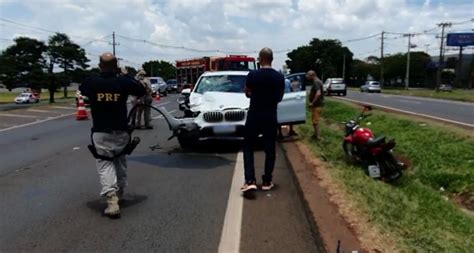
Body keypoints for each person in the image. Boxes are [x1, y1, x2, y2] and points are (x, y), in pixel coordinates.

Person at [79, 53, 146, 218]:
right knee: (120, 160)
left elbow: (82, 88)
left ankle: (112, 200)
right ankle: (121, 192)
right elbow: (140, 90)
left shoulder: (92, 81)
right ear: (116, 65)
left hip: (101, 131)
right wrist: (124, 75)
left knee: (105, 164)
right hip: (121, 130)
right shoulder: (122, 81)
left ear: (100, 65)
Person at [241, 47, 285, 192]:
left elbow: (247, 93)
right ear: (272, 59)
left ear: (260, 59)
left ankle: (250, 180)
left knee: (248, 147)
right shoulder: (279, 77)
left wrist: (253, 94)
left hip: (254, 115)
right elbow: (279, 98)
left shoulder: (252, 75)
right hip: (270, 116)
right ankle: (267, 181)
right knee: (270, 149)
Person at [307, 70, 324, 140]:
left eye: (308, 76)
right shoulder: (317, 81)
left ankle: (318, 137)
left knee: (315, 121)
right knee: (314, 120)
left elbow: (318, 93)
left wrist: (312, 103)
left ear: (312, 75)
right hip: (317, 105)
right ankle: (315, 135)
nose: (307, 77)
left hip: (317, 105)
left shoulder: (316, 82)